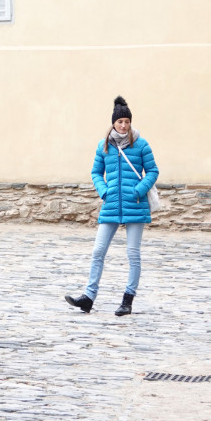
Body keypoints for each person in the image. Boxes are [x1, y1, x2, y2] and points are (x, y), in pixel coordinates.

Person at [66, 96, 158, 317]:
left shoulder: (141, 144)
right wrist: (104, 191)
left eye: (127, 121)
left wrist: (138, 190)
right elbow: (96, 173)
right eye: (120, 122)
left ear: (130, 122)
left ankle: (128, 299)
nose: (124, 125)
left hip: (135, 205)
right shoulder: (104, 145)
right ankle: (88, 297)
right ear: (113, 123)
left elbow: (153, 171)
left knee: (133, 254)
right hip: (111, 205)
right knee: (98, 251)